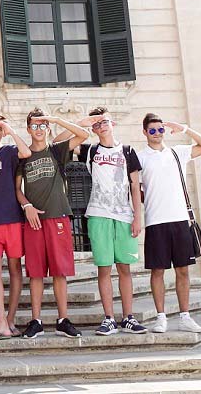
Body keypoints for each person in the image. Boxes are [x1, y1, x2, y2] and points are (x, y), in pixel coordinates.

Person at [15, 108, 91, 339]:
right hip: (35, 219)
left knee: (60, 271)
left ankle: (62, 319)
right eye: (34, 126)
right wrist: (26, 206)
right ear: (28, 129)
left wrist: (56, 119)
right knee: (36, 273)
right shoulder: (24, 155)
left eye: (42, 125)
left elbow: (83, 135)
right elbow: (17, 189)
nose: (38, 130)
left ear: (47, 128)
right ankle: (36, 320)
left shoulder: (57, 150)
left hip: (58, 216)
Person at [138, 114, 201, 334]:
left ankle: (185, 317)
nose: (157, 133)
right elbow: (133, 188)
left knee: (183, 271)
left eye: (160, 129)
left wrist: (184, 128)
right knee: (157, 272)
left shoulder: (177, 152)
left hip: (180, 219)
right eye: (152, 130)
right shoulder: (140, 157)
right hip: (155, 221)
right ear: (145, 132)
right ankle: (161, 318)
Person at [77, 107, 147, 336]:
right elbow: (65, 138)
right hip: (98, 214)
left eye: (104, 121)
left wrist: (138, 217)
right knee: (104, 269)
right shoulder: (89, 150)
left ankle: (128, 317)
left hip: (124, 216)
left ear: (112, 123)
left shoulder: (127, 151)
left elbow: (136, 186)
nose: (101, 126)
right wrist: (84, 122)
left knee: (124, 269)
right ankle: (108, 318)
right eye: (97, 124)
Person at [0, 114, 30, 341]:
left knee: (15, 270)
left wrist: (10, 130)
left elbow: (26, 152)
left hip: (12, 219)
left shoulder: (9, 152)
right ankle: (0, 322)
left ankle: (10, 319)